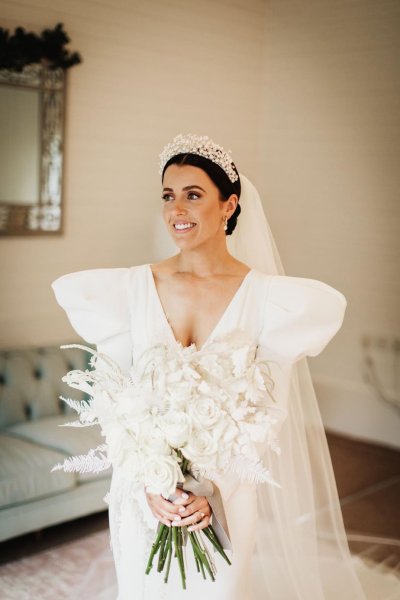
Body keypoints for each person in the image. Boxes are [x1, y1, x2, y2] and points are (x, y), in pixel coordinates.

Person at [52, 134, 370, 599]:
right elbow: (113, 398)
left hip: (225, 498)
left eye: (193, 195)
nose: (176, 209)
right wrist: (150, 481)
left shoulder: (269, 300)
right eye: (168, 195)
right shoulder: (130, 290)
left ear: (229, 205)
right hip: (143, 497)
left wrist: (214, 490)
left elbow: (268, 413)